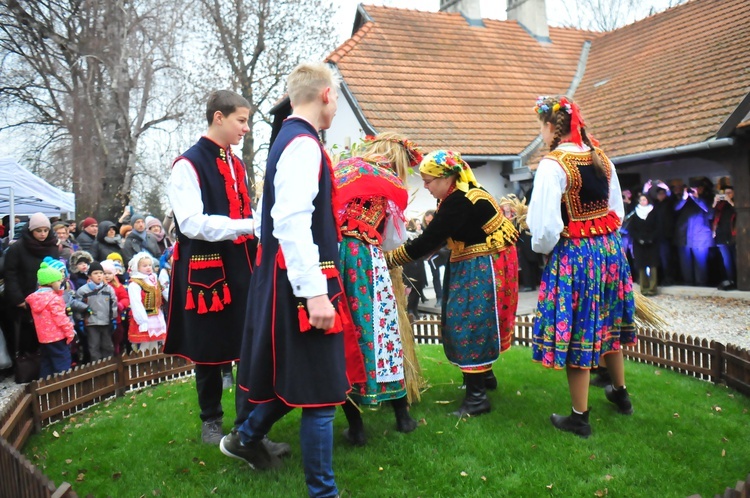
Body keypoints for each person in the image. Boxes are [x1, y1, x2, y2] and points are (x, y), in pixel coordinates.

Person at [223, 62, 349, 497]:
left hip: (293, 280)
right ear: (327, 95)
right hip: (302, 285)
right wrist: (315, 293)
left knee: (300, 375)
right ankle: (323, 493)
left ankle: (244, 439)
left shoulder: (291, 139)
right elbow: (291, 221)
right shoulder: (303, 144)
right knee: (323, 395)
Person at [527, 96, 636, 438]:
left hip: (577, 255)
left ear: (550, 127)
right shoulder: (600, 157)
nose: (541, 135)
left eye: (541, 128)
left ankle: (580, 418)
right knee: (607, 321)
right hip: (610, 251)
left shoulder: (552, 164)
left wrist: (543, 249)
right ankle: (620, 394)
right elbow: (615, 210)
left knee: (578, 329)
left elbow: (545, 228)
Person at [385, 149, 519, 417]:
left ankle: (477, 397)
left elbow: (428, 240)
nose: (425, 186)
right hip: (474, 263)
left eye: (428, 180)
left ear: (446, 177)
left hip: (480, 266)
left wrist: (389, 260)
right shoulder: (459, 195)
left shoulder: (460, 200)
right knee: (471, 321)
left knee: (469, 323)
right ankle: (484, 379)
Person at [165, 89, 258, 446]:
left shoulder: (237, 163)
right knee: (208, 346)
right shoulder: (187, 164)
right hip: (206, 269)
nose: (246, 128)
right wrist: (247, 226)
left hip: (242, 263)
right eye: (241, 120)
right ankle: (211, 420)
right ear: (218, 117)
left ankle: (246, 424)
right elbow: (190, 223)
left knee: (246, 341)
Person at [333, 132, 420, 446]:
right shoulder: (388, 184)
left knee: (345, 332)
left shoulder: (342, 172)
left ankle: (356, 427)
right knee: (382, 331)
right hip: (367, 259)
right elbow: (394, 240)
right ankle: (402, 416)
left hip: (335, 257)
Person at [4, 213, 60, 362]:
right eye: (38, 231)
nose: (42, 234)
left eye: (45, 230)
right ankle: (26, 366)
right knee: (25, 336)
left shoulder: (52, 247)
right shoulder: (17, 248)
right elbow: (10, 274)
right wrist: (18, 299)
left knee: (47, 334)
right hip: (24, 299)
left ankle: (45, 365)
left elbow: (57, 271)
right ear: (31, 231)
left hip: (47, 299)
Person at [25, 262, 76, 377]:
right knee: (62, 363)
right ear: (51, 282)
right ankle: (64, 388)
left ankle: (46, 390)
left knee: (46, 363)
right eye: (58, 281)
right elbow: (61, 318)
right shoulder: (54, 299)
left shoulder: (34, 298)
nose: (60, 283)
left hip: (43, 338)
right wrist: (70, 333)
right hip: (58, 337)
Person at [673, 178, 714, 286]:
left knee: (701, 263)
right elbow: (675, 209)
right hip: (684, 236)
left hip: (700, 236)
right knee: (685, 262)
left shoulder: (707, 198)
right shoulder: (685, 200)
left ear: (702, 189)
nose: (694, 190)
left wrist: (697, 198)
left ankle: (701, 283)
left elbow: (710, 212)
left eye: (697, 188)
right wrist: (684, 198)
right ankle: (688, 282)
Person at [75, 261, 117, 362]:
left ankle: (109, 367)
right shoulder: (83, 291)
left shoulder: (109, 289)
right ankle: (97, 370)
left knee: (107, 346)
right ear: (89, 276)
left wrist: (113, 319)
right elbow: (78, 306)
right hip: (91, 323)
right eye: (95, 273)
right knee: (94, 347)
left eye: (100, 273)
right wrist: (80, 321)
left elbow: (113, 304)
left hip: (106, 322)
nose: (99, 275)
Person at [127, 252, 167, 353]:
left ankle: (153, 364)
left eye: (149, 265)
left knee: (154, 342)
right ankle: (141, 366)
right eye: (144, 266)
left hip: (156, 315)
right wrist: (142, 321)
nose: (148, 268)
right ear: (137, 267)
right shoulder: (135, 283)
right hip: (144, 317)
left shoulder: (154, 278)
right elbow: (136, 303)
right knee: (144, 344)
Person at [630, 193, 659, 296]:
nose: (643, 202)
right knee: (641, 265)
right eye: (641, 200)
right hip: (639, 243)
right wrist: (638, 238)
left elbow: (658, 226)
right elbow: (631, 229)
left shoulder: (653, 211)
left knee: (653, 265)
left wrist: (651, 238)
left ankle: (653, 288)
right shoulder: (635, 213)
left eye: (645, 200)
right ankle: (644, 288)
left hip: (652, 242)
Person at [101, 260, 129, 356]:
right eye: (104, 273)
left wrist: (121, 305)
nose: (107, 276)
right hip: (102, 318)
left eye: (109, 273)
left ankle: (118, 351)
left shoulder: (117, 286)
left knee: (118, 335)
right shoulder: (98, 286)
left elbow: (125, 297)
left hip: (116, 317)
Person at [402, 219, 427, 320]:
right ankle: (410, 310)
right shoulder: (407, 236)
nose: (419, 226)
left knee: (418, 288)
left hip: (419, 265)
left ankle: (415, 309)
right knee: (411, 288)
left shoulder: (418, 235)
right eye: (417, 224)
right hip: (410, 266)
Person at [713, 186, 736, 290]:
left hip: (733, 236)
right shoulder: (720, 205)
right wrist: (714, 202)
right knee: (726, 260)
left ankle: (736, 280)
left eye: (729, 193)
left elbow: (738, 212)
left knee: (735, 259)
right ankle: (729, 280)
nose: (727, 195)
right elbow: (711, 215)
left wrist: (730, 201)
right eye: (725, 193)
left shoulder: (736, 203)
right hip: (721, 236)